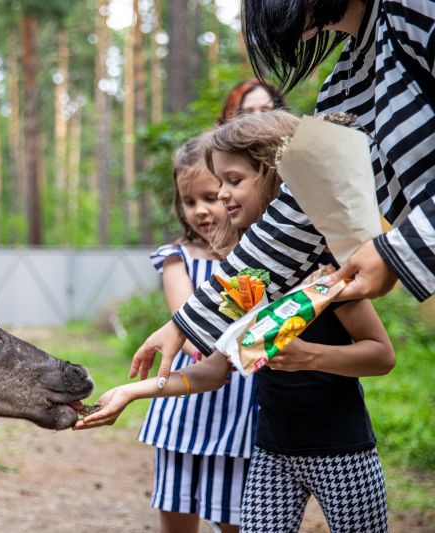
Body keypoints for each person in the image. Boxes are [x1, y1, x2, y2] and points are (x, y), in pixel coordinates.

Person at [76, 110, 395, 532]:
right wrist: (131, 392)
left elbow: (381, 356)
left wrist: (310, 356)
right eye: (219, 182)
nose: (223, 195)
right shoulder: (245, 285)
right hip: (271, 454)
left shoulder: (327, 273)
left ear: (275, 178)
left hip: (343, 451)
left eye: (234, 180)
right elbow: (213, 369)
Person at [131, 0, 435, 385]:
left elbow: (378, 352)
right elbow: (300, 214)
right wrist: (186, 324)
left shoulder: (415, 9)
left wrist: (399, 250)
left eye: (234, 180)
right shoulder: (344, 86)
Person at [138, 136, 252, 533]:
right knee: (177, 518)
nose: (200, 210)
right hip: (184, 410)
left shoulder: (257, 256)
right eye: (189, 202)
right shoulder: (177, 257)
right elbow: (185, 324)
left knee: (235, 518)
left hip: (240, 414)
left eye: (209, 197)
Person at [216, 78, 287, 125]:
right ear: (231, 115)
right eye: (249, 111)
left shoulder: (292, 142)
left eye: (265, 110)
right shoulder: (215, 147)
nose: (257, 117)